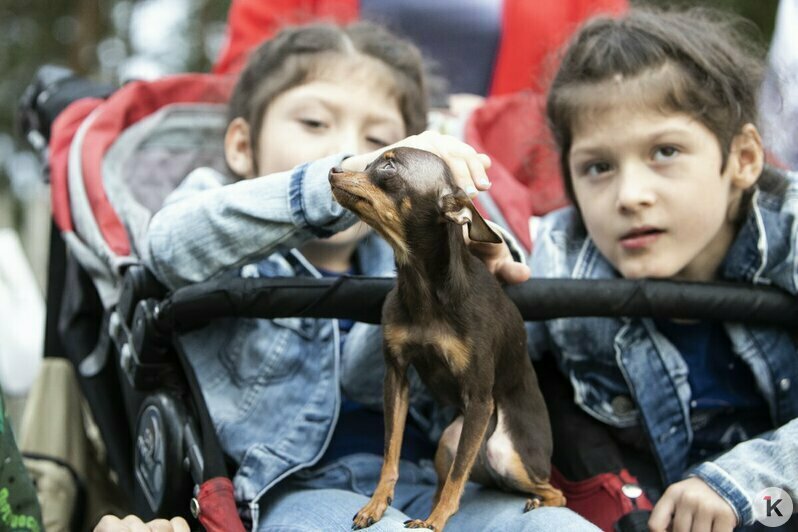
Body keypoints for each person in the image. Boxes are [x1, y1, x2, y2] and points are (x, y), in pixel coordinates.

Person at [104, 21, 594, 531]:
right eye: (315, 123)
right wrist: (330, 184)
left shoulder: (398, 253)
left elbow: (424, 369)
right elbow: (169, 246)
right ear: (242, 147)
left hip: (430, 478)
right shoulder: (217, 218)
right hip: (296, 489)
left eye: (381, 143)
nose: (344, 148)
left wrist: (472, 270)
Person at [528, 7, 798, 532]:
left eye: (665, 152)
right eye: (598, 168)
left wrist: (739, 482)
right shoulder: (559, 261)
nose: (630, 196)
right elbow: (448, 379)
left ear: (743, 158)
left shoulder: (791, 229)